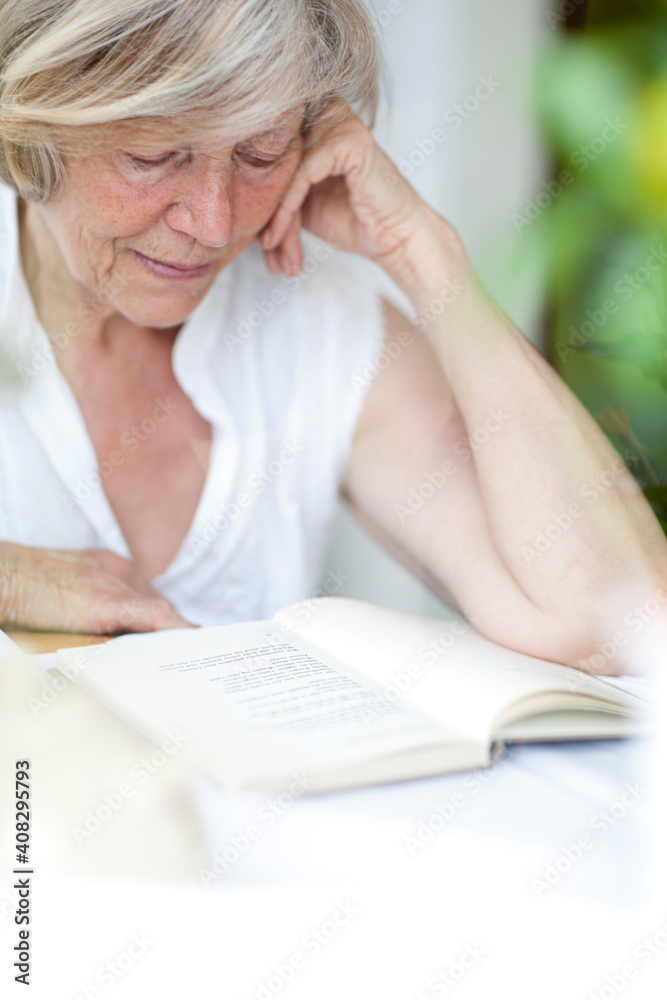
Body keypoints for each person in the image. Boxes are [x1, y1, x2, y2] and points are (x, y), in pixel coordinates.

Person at [0, 0, 664, 672]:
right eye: (153, 156)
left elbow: (622, 624)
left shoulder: (320, 325)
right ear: (33, 123)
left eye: (259, 154)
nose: (214, 220)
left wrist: (425, 253)